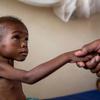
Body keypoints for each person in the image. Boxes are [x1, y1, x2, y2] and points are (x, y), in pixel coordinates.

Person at [0, 16, 91, 100]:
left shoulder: (10, 69)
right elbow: (28, 77)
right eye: (16, 37)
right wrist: (66, 57)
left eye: (26, 39)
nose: (24, 44)